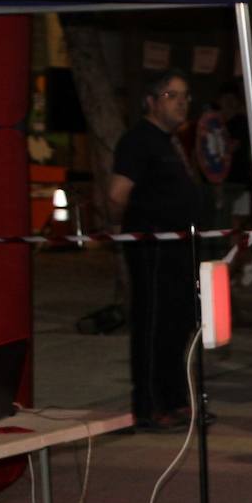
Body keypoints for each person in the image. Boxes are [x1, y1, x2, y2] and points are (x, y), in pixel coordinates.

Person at [108, 69, 205, 431]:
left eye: (185, 96)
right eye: (172, 95)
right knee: (153, 325)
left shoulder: (171, 142)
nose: (181, 103)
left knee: (178, 324)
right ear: (150, 101)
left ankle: (176, 398)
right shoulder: (138, 141)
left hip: (179, 251)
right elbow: (117, 195)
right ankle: (148, 406)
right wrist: (126, 228)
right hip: (152, 250)